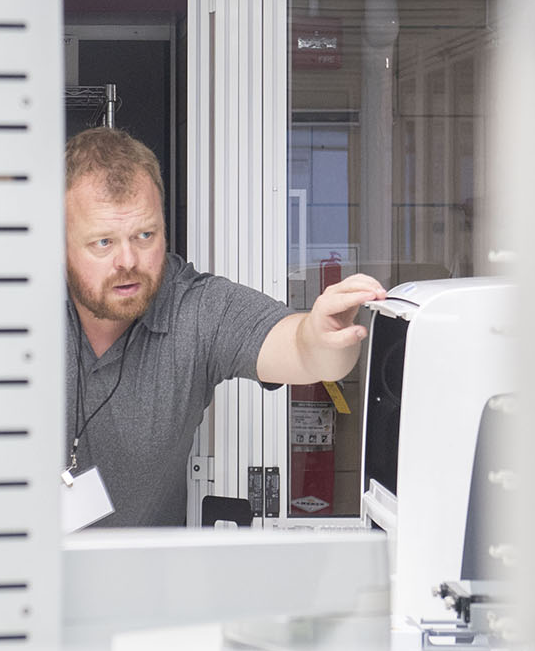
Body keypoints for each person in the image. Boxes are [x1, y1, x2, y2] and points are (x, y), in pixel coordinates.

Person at [63, 127, 384, 526]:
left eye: (145, 235)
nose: (127, 260)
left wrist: (325, 339)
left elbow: (300, 347)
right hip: (12, 582)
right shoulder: (7, 308)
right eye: (103, 243)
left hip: (143, 581)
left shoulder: (195, 308)